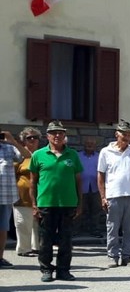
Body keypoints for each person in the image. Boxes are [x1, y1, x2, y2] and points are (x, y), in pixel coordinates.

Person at [29, 121, 83, 282]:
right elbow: (32, 182)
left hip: (68, 204)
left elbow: (78, 181)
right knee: (45, 240)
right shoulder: (38, 155)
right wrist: (34, 204)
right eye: (53, 133)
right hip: (46, 204)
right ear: (47, 136)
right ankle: (46, 269)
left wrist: (80, 203)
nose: (57, 135)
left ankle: (63, 271)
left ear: (64, 135)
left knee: (66, 240)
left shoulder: (72, 154)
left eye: (60, 132)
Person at [97, 120, 130, 267]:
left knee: (129, 229)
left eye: (129, 134)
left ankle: (127, 256)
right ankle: (112, 256)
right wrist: (103, 196)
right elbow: (100, 175)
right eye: (124, 134)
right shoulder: (105, 152)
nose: (126, 137)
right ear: (116, 134)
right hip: (113, 195)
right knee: (112, 228)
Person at [0, 128, 31, 268]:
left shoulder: (9, 148)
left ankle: (0, 258)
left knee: (3, 228)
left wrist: (13, 141)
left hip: (5, 196)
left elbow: (27, 155)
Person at [13, 127, 42, 257]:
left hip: (41, 195)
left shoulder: (42, 154)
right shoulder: (18, 155)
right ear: (23, 140)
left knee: (37, 223)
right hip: (22, 196)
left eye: (35, 137)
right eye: (29, 138)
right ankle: (24, 249)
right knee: (23, 223)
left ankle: (37, 247)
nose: (32, 140)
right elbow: (11, 173)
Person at [78, 136, 102, 237]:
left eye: (92, 144)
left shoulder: (99, 156)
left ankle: (95, 230)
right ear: (84, 144)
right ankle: (76, 230)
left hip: (96, 187)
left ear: (95, 145)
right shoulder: (78, 156)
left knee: (96, 210)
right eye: (87, 143)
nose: (89, 145)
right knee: (79, 209)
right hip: (81, 187)